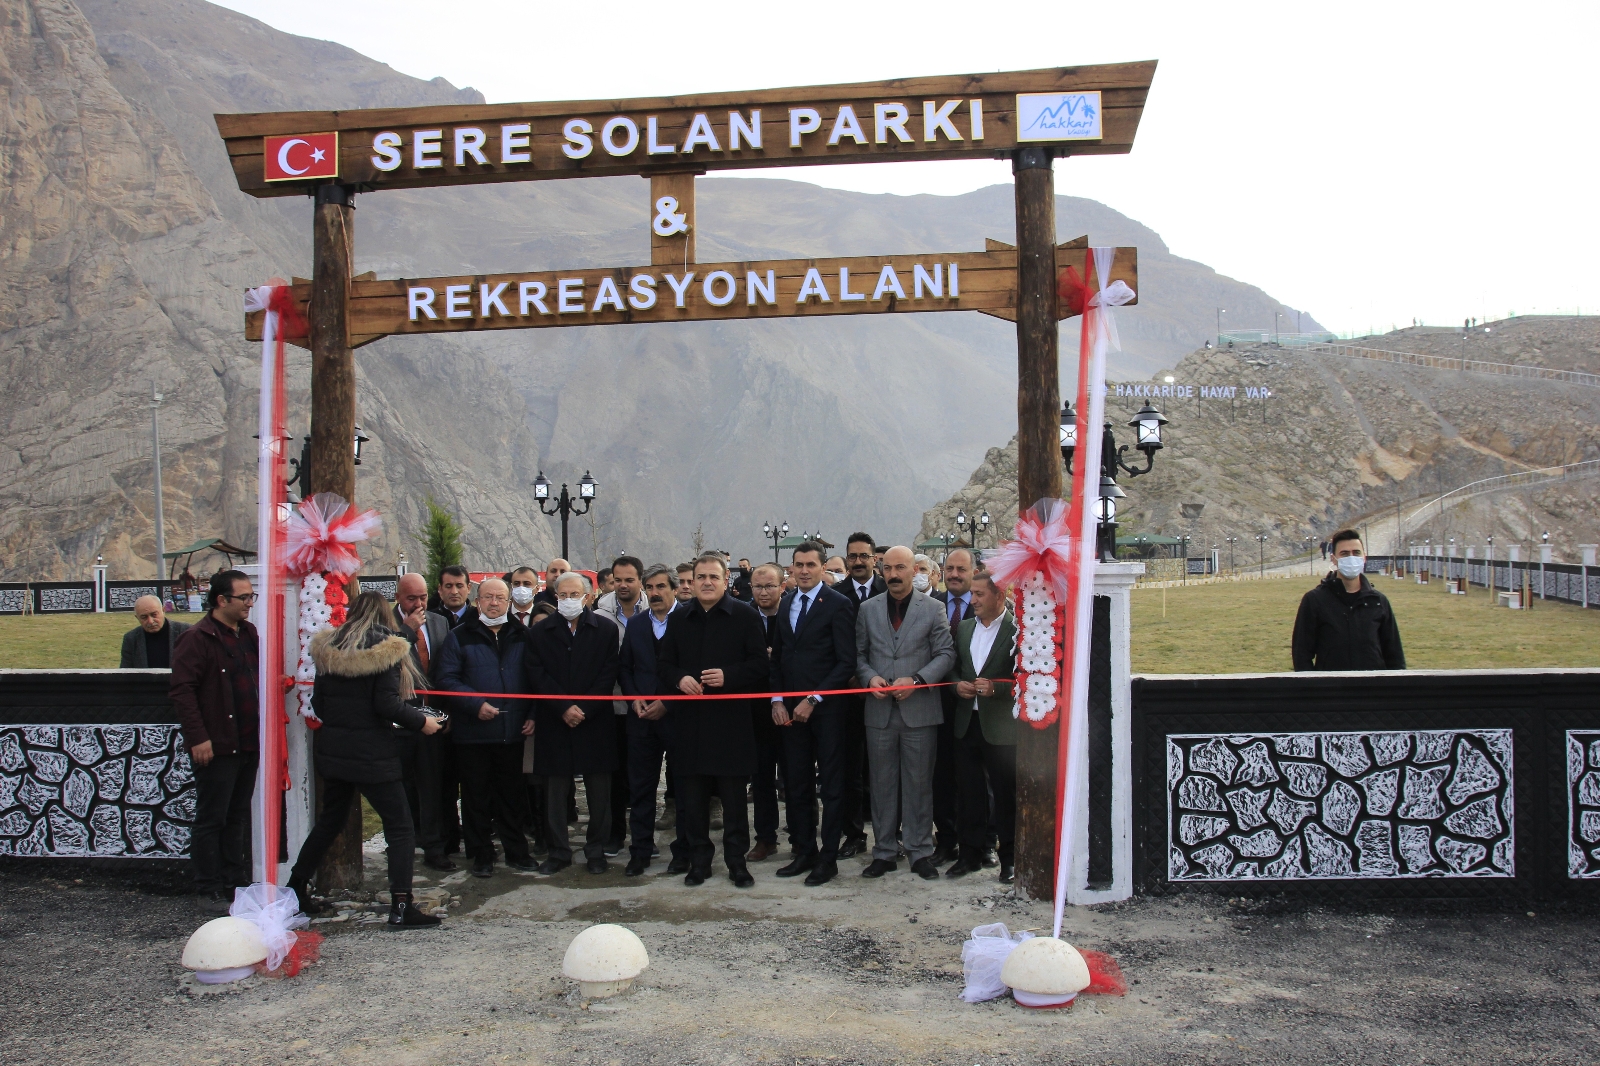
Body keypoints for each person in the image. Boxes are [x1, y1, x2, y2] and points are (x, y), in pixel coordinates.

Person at [287, 592, 443, 927]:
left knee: (329, 822)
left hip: (335, 751)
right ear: (384, 614)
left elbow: (320, 703)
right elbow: (386, 704)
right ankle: (402, 904)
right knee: (400, 828)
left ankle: (295, 887)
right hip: (373, 754)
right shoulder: (386, 649)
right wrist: (422, 722)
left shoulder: (329, 649)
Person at [657, 553, 768, 887]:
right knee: (692, 802)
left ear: (725, 581)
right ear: (690, 581)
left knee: (734, 803)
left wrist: (728, 676)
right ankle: (699, 862)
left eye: (713, 577)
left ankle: (737, 863)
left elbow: (760, 666)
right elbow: (663, 664)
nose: (706, 582)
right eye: (699, 577)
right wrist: (679, 679)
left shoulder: (746, 616)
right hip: (690, 724)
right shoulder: (679, 619)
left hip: (731, 725)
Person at [855, 545, 956, 881]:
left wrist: (917, 680)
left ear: (915, 570)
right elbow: (859, 656)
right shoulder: (867, 609)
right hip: (879, 711)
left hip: (920, 711)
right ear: (881, 570)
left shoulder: (933, 609)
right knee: (881, 784)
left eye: (901, 567)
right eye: (888, 568)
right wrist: (870, 678)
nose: (894, 574)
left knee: (918, 783)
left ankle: (919, 851)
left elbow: (945, 654)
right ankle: (883, 851)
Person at [169, 570, 259, 914]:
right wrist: (198, 737)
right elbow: (183, 691)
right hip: (218, 742)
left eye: (252, 597)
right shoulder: (197, 639)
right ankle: (207, 887)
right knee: (212, 817)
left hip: (249, 740)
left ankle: (234, 881)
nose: (250, 603)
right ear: (222, 601)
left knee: (237, 815)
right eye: (244, 598)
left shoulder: (248, 634)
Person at [434, 578, 537, 878]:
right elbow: (447, 680)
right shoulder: (459, 636)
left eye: (500, 598)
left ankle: (517, 852)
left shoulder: (522, 635)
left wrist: (532, 713)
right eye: (488, 597)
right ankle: (481, 855)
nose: (494, 603)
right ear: (478, 600)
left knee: (512, 795)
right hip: (473, 733)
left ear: (509, 602)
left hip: (512, 730)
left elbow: (535, 679)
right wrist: (475, 704)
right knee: (476, 796)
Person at [769, 542, 856, 886]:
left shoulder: (839, 604)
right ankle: (803, 850)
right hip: (790, 713)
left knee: (832, 786)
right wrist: (777, 700)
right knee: (796, 783)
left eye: (810, 565)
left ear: (822, 569)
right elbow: (778, 659)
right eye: (797, 565)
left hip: (827, 712)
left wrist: (814, 698)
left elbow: (845, 662)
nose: (803, 570)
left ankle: (828, 857)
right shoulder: (787, 601)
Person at [525, 572, 621, 875]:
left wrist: (585, 708)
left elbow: (609, 672)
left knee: (599, 791)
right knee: (555, 791)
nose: (567, 600)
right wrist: (563, 707)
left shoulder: (605, 629)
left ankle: (596, 851)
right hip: (555, 720)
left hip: (595, 721)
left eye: (573, 595)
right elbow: (536, 673)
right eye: (562, 595)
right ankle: (558, 851)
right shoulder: (540, 633)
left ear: (588, 597)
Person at [619, 565, 690, 876]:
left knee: (686, 789)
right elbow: (625, 668)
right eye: (650, 587)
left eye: (662, 586)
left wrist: (668, 703)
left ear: (674, 589)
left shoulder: (689, 621)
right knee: (641, 788)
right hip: (642, 720)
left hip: (678, 717)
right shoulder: (635, 625)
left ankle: (683, 852)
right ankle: (641, 850)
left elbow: (693, 668)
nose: (655, 593)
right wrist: (634, 698)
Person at [946, 573, 1017, 884]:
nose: (972, 600)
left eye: (979, 594)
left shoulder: (1017, 630)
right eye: (972, 593)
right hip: (967, 723)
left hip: (1000, 729)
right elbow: (953, 668)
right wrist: (955, 686)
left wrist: (996, 690)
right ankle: (969, 855)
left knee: (1005, 795)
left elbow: (1030, 678)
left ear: (999, 597)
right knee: (969, 793)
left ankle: (1010, 859)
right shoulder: (964, 628)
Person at [391, 573, 457, 871]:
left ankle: (434, 846)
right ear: (398, 597)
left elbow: (445, 668)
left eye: (422, 598)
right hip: (399, 720)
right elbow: (386, 662)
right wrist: (407, 630)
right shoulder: (386, 624)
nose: (418, 604)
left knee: (433, 785)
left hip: (433, 719)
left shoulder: (439, 622)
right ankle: (407, 841)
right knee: (403, 788)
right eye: (410, 599)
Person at [595, 555, 649, 855]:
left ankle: (644, 836)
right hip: (614, 705)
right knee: (614, 775)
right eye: (618, 580)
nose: (624, 585)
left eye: (630, 579)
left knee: (641, 775)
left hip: (647, 704)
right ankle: (614, 833)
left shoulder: (653, 609)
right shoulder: (600, 614)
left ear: (640, 580)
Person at [1292, 529, 1406, 671]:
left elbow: (1395, 655)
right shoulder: (1314, 600)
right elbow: (1301, 654)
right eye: (1344, 554)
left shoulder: (1378, 602)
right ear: (1334, 559)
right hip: (1330, 690)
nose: (1351, 558)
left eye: (1356, 553)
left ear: (1364, 557)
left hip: (1372, 689)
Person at [836, 532, 886, 857]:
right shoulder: (834, 595)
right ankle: (853, 834)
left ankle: (889, 835)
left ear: (873, 559)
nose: (857, 562)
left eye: (863, 556)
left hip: (884, 693)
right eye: (852, 556)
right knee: (849, 770)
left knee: (884, 769)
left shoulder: (891, 590)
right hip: (848, 696)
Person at [930, 548, 978, 866]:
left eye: (961, 569)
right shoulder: (931, 607)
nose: (955, 574)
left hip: (976, 708)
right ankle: (946, 841)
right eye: (949, 569)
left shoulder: (986, 604)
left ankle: (980, 843)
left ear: (974, 571)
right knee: (942, 777)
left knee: (975, 779)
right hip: (938, 705)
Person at [746, 562, 789, 862]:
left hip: (790, 706)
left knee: (795, 775)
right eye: (758, 586)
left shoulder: (794, 614)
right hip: (755, 709)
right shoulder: (743, 617)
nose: (764, 592)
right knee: (761, 777)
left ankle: (801, 836)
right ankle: (765, 838)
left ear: (782, 587)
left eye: (770, 586)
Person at [120, 595, 191, 668]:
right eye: (144, 617)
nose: (150, 621)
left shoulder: (185, 632)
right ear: (137, 617)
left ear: (163, 610)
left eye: (154, 615)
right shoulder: (131, 639)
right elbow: (125, 674)